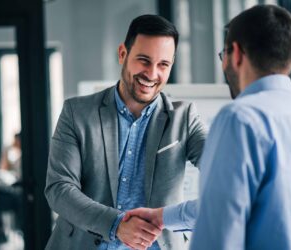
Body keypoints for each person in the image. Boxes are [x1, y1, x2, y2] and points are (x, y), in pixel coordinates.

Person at [124, 4, 291, 250]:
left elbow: (218, 230)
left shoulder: (240, 118)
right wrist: (163, 217)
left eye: (223, 54)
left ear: (236, 54)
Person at [44, 14, 206, 250]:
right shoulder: (76, 113)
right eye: (143, 60)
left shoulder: (185, 117)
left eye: (163, 64)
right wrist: (116, 224)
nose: (151, 74)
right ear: (123, 54)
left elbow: (225, 172)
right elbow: (59, 189)